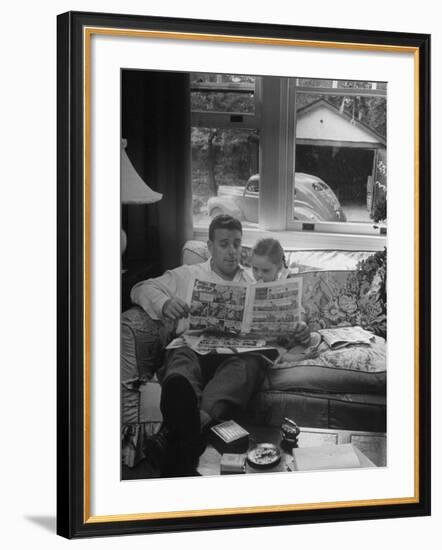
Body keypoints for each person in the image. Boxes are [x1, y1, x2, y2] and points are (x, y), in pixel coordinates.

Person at [130, 216, 309, 476]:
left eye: (237, 243)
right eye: (224, 244)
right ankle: (193, 431)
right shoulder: (188, 274)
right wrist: (165, 304)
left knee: (247, 366)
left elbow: (289, 313)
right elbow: (139, 288)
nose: (232, 250)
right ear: (210, 246)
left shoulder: (254, 279)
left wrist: (298, 326)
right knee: (181, 362)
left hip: (238, 356)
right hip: (194, 346)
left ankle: (178, 433)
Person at [250, 238, 311, 346]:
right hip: (256, 342)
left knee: (312, 338)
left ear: (278, 268)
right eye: (255, 269)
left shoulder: (285, 285)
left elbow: (300, 313)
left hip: (281, 341)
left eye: (265, 270)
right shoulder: (248, 283)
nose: (259, 274)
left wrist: (301, 324)